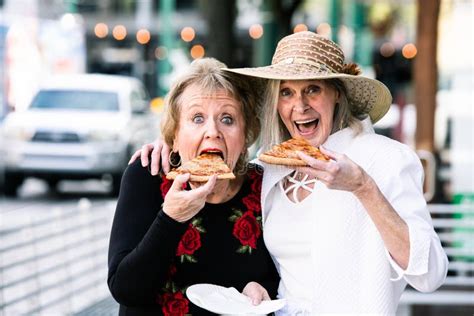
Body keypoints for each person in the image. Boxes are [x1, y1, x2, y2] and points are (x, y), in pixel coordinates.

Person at [131, 31, 448, 315]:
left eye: (312, 90)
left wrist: (363, 187)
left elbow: (429, 274)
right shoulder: (271, 168)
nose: (299, 106)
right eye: (286, 92)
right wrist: (172, 143)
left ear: (337, 93)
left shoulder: (385, 159)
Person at [108, 58, 279, 316]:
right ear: (174, 135)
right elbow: (126, 289)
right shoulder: (149, 175)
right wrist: (171, 218)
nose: (213, 131)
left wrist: (263, 288)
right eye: (197, 118)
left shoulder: (265, 185)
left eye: (228, 119)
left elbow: (289, 273)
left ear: (246, 137)